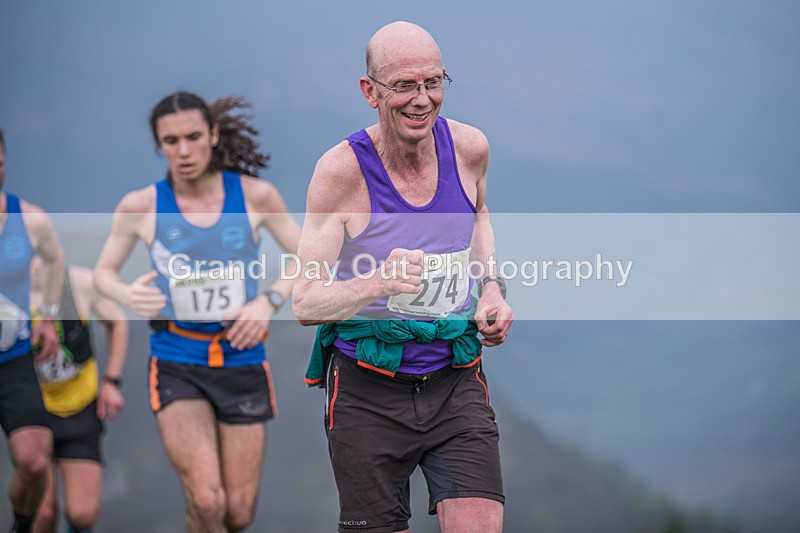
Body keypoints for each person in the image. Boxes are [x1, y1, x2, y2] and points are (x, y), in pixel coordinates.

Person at [292, 21, 514, 533]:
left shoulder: (470, 147)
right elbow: (304, 303)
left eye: (433, 82)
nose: (422, 100)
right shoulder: (339, 173)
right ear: (370, 92)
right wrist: (377, 281)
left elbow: (479, 213)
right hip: (366, 392)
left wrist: (493, 290)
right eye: (405, 86)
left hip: (454, 380)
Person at [93, 92, 300, 533]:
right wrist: (127, 294)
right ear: (158, 145)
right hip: (176, 360)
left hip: (242, 358)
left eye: (192, 137)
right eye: (170, 141)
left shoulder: (255, 197)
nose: (183, 151)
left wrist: (268, 301)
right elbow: (102, 275)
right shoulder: (141, 206)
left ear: (213, 134)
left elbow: (308, 260)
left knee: (238, 514)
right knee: (207, 501)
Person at [30, 258, 129, 533]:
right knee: (44, 513)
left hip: (80, 409)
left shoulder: (79, 283)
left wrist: (111, 381)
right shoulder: (10, 291)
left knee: (82, 514)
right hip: (32, 414)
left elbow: (118, 321)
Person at [0, 128, 66, 533]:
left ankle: (21, 528)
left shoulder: (30, 217)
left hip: (13, 360)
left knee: (36, 462)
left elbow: (55, 261)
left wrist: (48, 315)